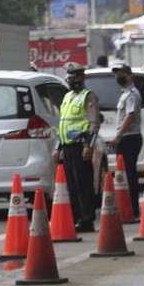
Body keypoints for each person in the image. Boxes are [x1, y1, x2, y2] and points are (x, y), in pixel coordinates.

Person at [56, 62, 102, 232]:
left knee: (83, 184)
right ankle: (76, 218)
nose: (71, 80)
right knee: (72, 185)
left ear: (82, 78)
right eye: (69, 77)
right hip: (67, 147)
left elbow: (93, 123)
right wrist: (57, 147)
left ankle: (87, 220)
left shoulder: (88, 97)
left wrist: (89, 145)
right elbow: (62, 124)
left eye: (75, 77)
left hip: (81, 146)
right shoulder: (67, 97)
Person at [110, 63, 143, 216]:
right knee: (124, 174)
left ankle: (133, 209)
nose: (119, 77)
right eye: (117, 74)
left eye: (122, 74)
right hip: (126, 138)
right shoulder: (124, 93)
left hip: (130, 138)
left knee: (129, 174)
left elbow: (130, 116)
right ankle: (126, 206)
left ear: (130, 75)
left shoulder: (132, 94)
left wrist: (118, 136)